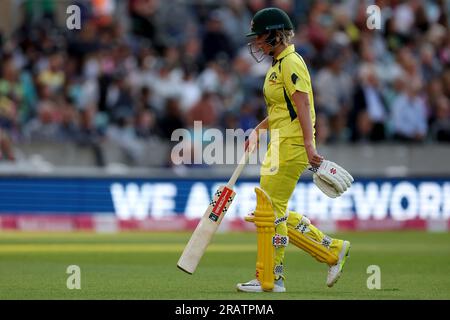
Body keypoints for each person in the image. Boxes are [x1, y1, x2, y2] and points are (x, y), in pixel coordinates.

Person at [237, 8, 351, 293]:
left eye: (261, 37)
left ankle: (272, 277)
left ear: (276, 35)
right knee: (276, 211)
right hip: (280, 143)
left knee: (270, 210)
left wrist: (310, 144)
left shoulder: (291, 62)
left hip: (292, 145)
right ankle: (331, 250)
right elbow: (280, 110)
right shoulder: (277, 65)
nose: (257, 44)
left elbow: (303, 105)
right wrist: (258, 131)